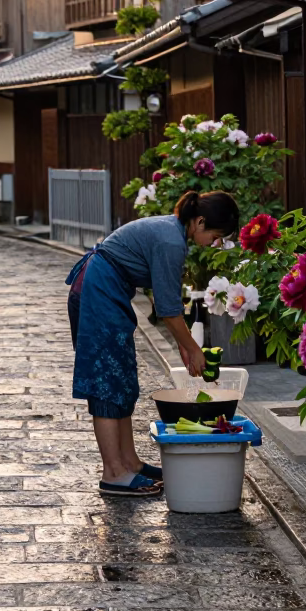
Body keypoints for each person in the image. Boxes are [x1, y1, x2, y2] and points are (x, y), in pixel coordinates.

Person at [66, 189, 240, 497]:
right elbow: (169, 309)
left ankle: (129, 463)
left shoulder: (172, 232)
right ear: (199, 222)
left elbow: (168, 307)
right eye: (215, 235)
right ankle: (114, 473)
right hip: (98, 291)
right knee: (106, 382)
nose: (214, 242)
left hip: (106, 289)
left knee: (121, 380)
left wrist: (186, 348)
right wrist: (193, 349)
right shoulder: (170, 240)